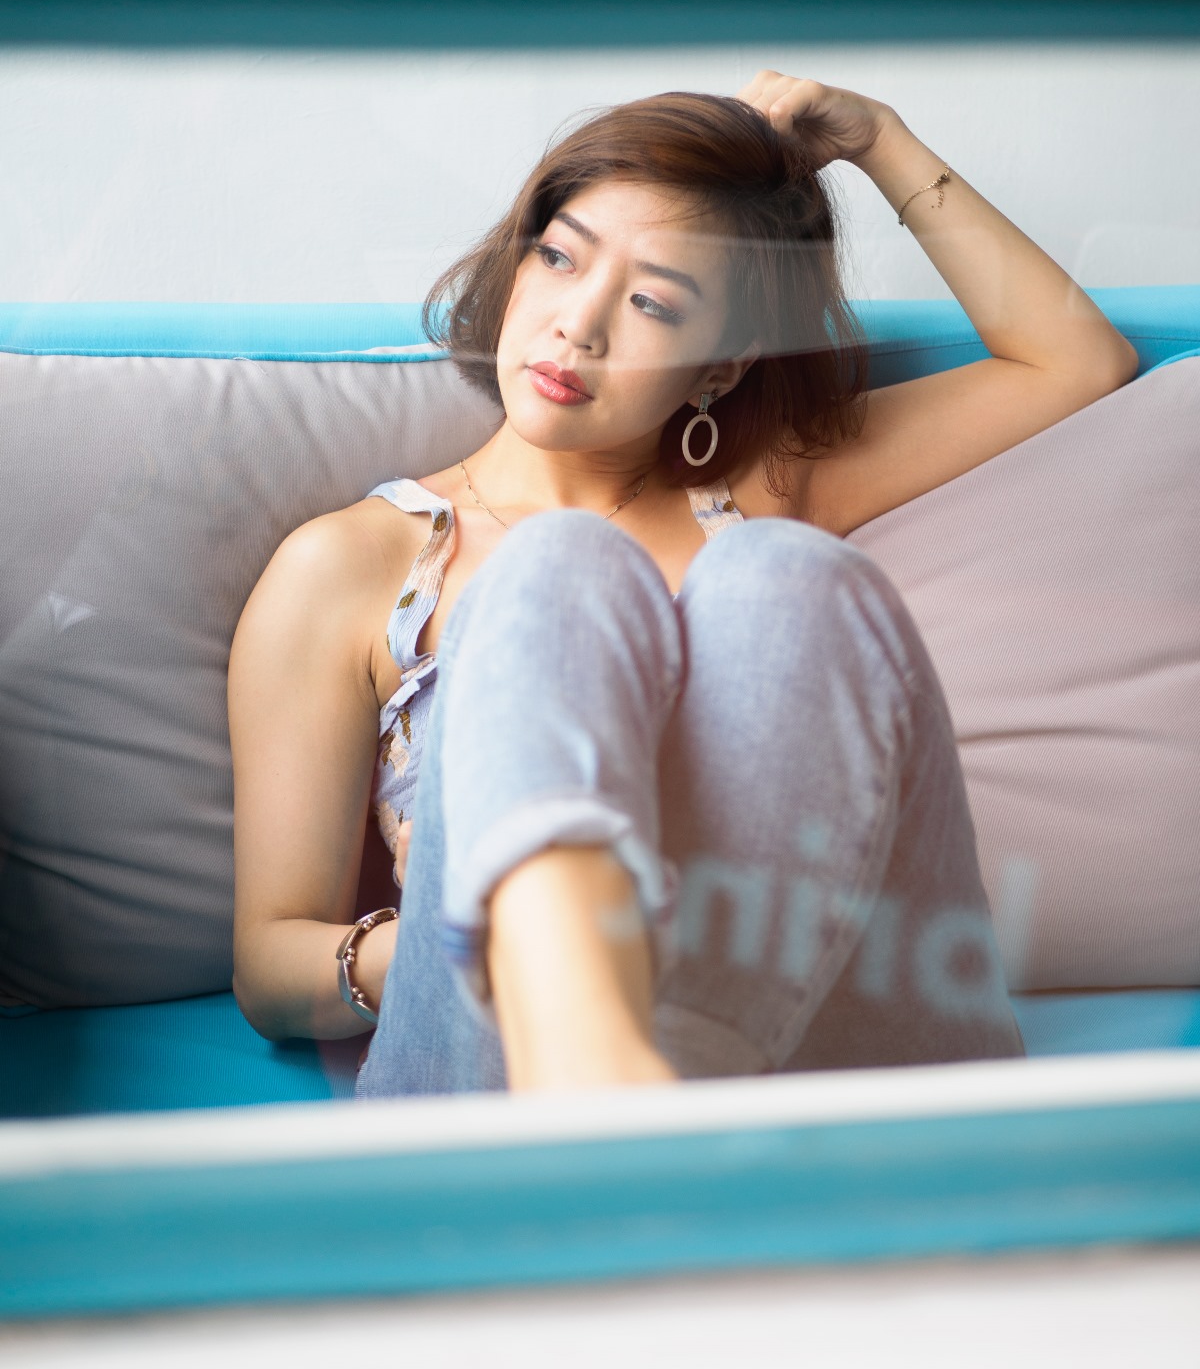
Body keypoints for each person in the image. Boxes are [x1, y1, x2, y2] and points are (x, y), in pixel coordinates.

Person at [228, 72, 1138, 1094]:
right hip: (502, 1068)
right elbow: (269, 964)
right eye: (560, 255)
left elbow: (1072, 360)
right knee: (553, 570)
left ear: (725, 361)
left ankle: (671, 1096)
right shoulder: (351, 564)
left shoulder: (769, 491)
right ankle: (599, 1073)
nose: (579, 324)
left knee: (783, 571)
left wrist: (880, 138)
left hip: (791, 1054)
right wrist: (487, 928)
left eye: (654, 301)